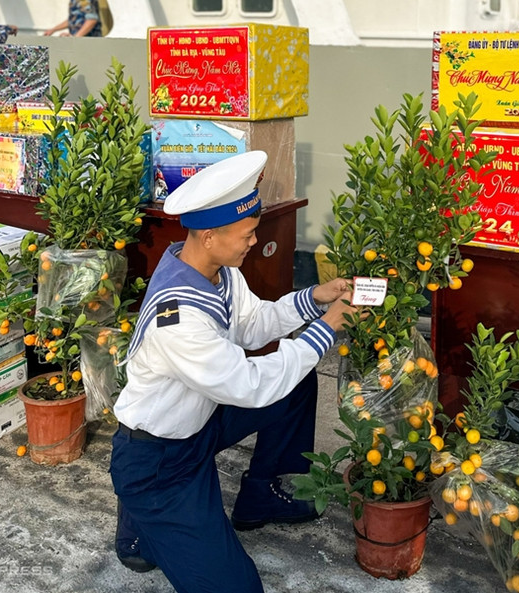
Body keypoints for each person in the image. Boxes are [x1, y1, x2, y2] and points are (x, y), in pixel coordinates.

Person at [109, 151, 356, 593]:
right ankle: (140, 529)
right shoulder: (179, 318)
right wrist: (326, 330)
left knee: (295, 381)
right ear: (208, 236)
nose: (253, 241)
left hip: (197, 424)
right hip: (160, 464)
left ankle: (261, 495)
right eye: (246, 234)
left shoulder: (215, 270)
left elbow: (252, 323)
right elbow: (250, 384)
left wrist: (315, 298)